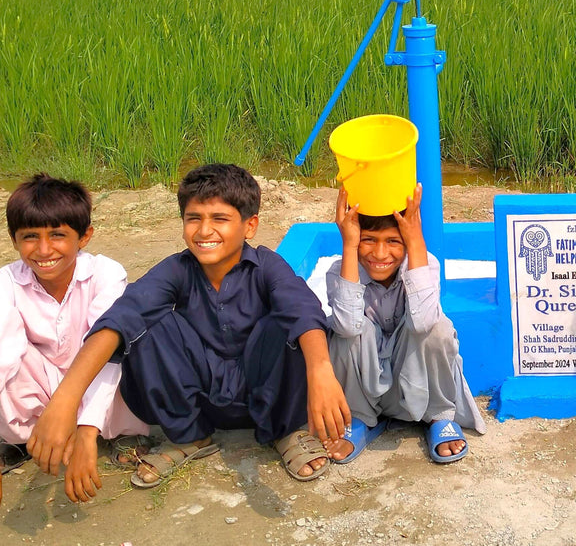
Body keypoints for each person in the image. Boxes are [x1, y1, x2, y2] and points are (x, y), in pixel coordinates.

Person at [27, 164, 352, 499]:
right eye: (194, 218)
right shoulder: (176, 270)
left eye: (220, 219)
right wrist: (65, 402)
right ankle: (189, 435)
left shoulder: (267, 266)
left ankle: (285, 432)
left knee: (289, 321)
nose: (204, 230)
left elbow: (302, 308)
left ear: (249, 225)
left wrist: (321, 371)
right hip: (203, 398)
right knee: (144, 322)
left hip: (266, 394)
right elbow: (121, 318)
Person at [0, 175, 149, 505]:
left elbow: (108, 353)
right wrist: (58, 410)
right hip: (45, 394)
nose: (43, 250)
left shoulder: (105, 274)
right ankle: (32, 438)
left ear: (84, 237)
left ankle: (109, 434)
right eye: (29, 237)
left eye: (57, 235)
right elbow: (4, 355)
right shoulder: (6, 282)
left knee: (128, 343)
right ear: (13, 240)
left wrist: (85, 431)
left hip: (102, 389)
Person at [326, 183, 485, 464]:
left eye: (393, 241)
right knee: (342, 330)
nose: (379, 253)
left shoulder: (425, 264)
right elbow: (348, 327)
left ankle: (438, 415)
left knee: (438, 327)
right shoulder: (341, 271)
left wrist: (415, 241)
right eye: (368, 239)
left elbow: (424, 322)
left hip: (415, 382)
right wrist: (349, 245)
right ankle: (360, 417)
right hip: (366, 387)